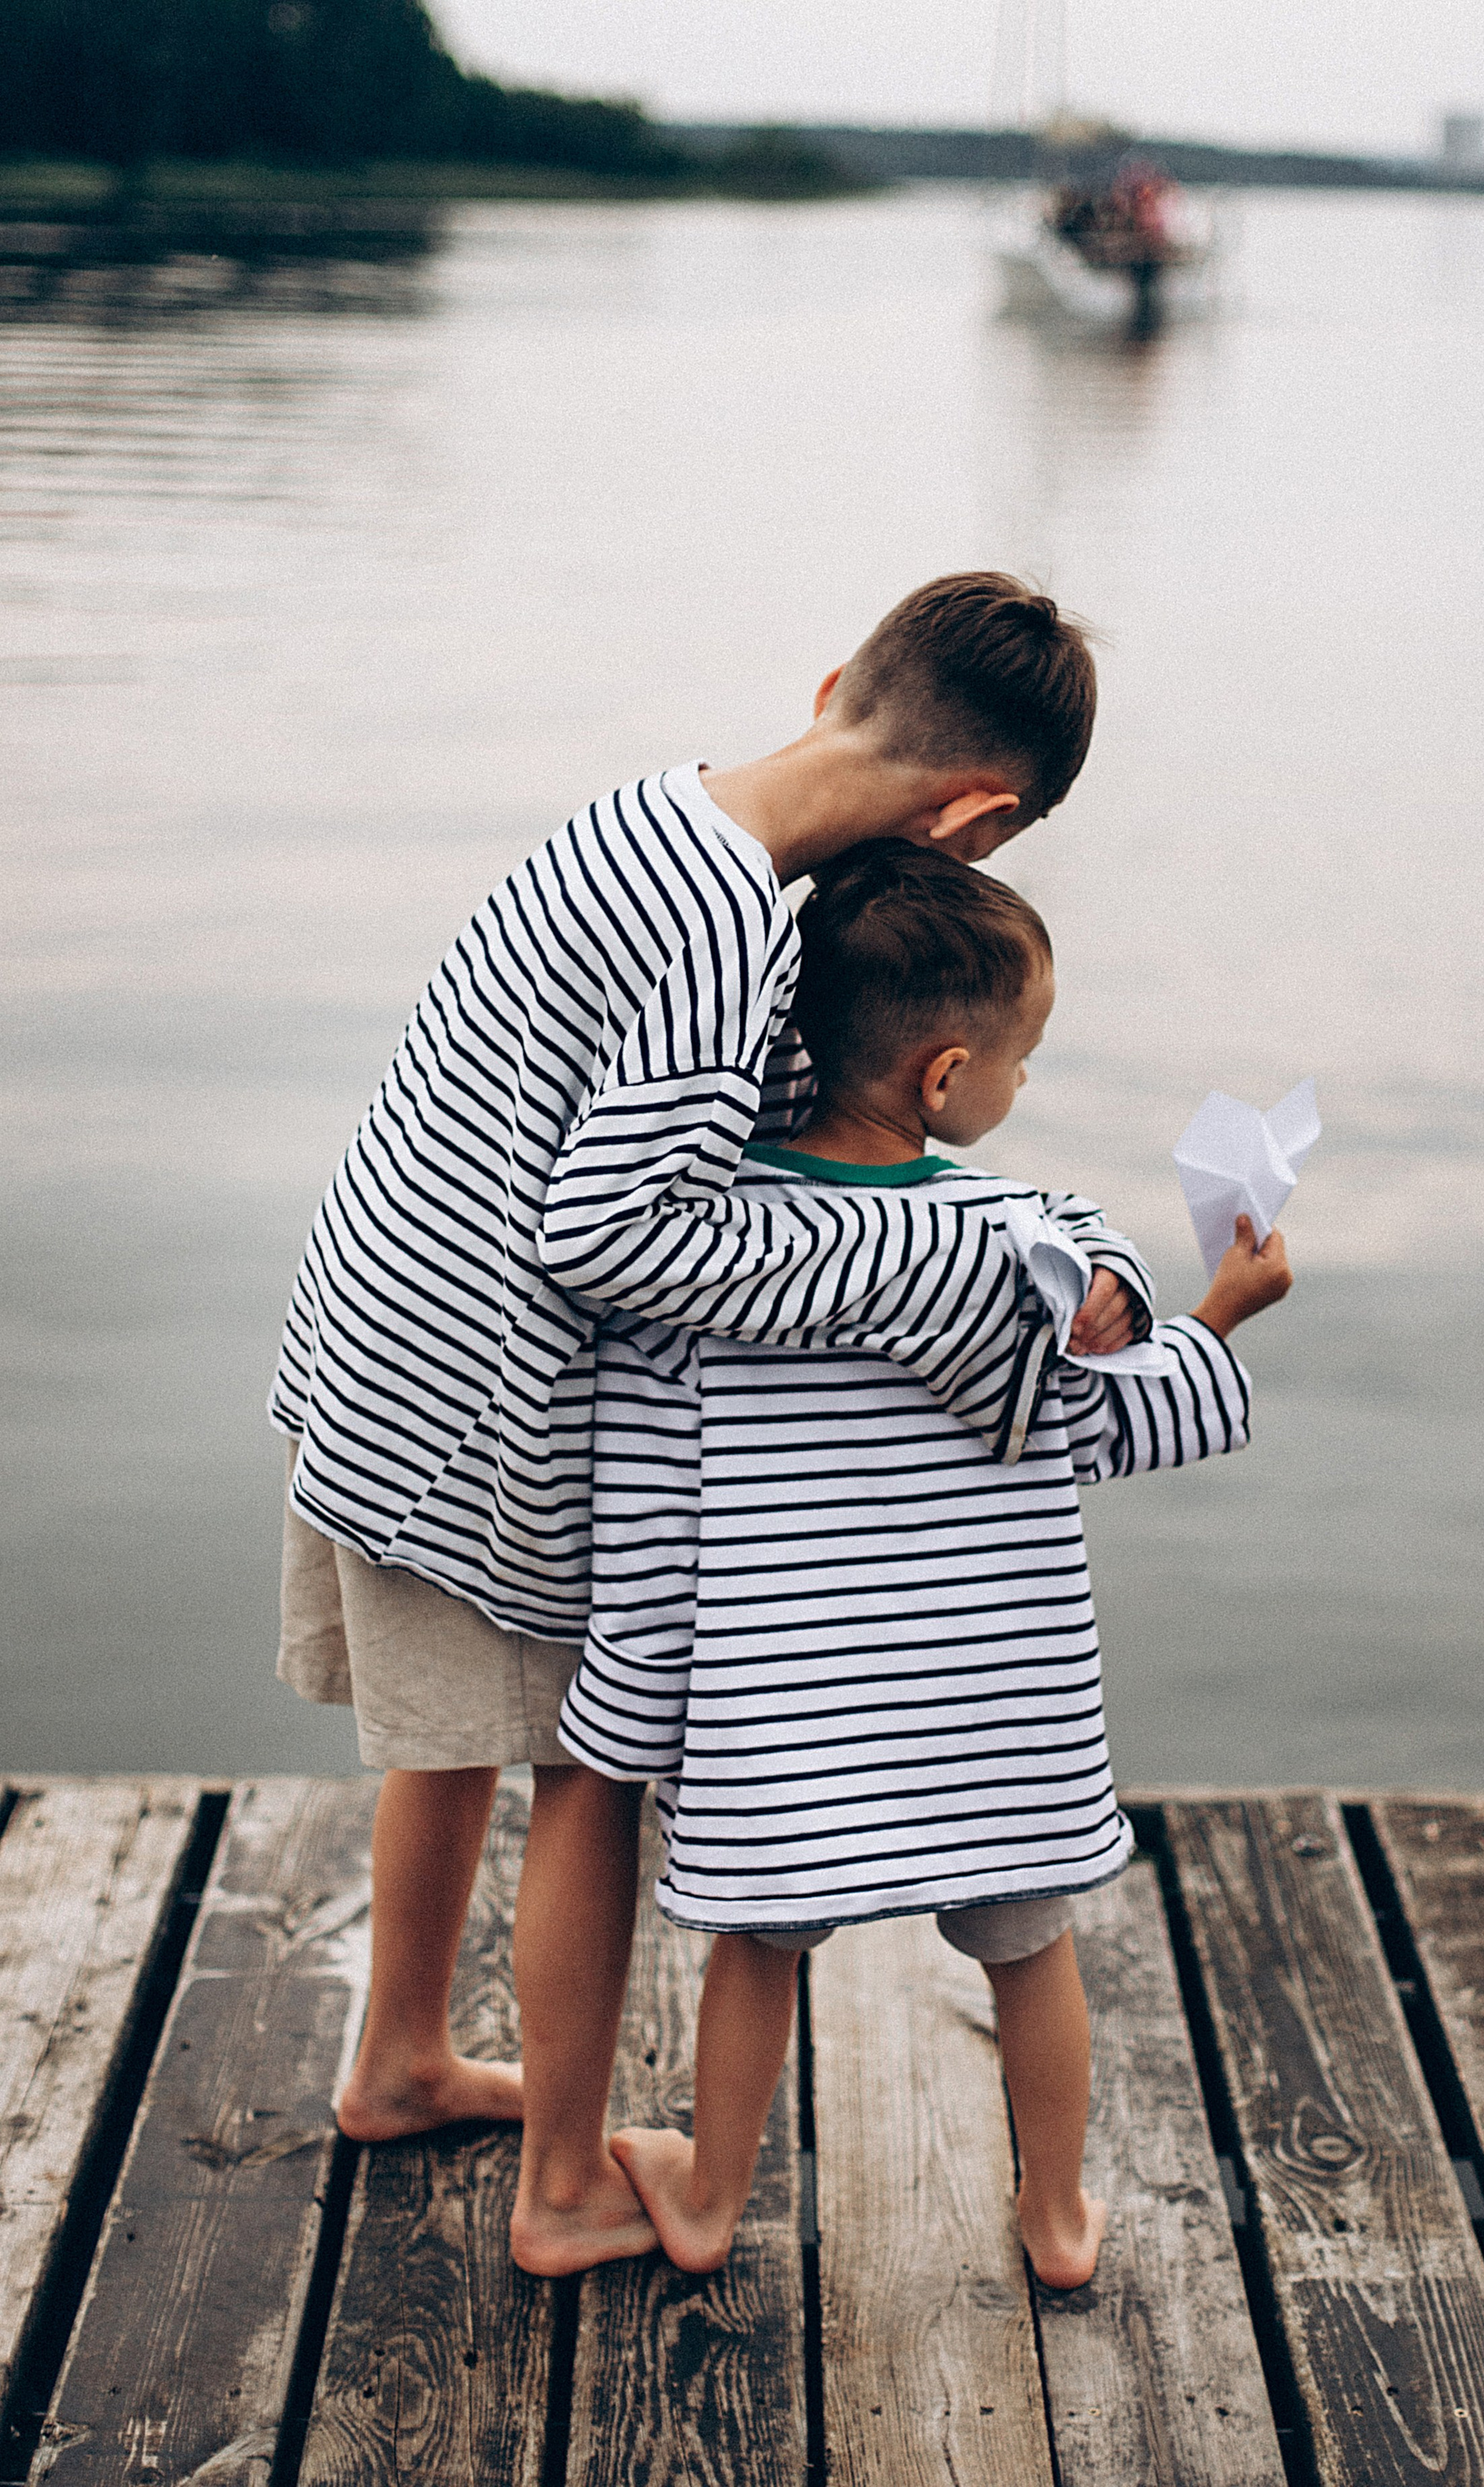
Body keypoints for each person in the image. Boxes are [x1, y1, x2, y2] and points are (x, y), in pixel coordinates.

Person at [270, 574, 1148, 2262]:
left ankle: (398, 2062)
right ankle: (561, 2191)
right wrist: (916, 1262)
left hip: (383, 1355)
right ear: (977, 819)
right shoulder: (728, 928)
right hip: (488, 1427)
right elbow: (609, 1233)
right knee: (580, 1771)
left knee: (444, 1738)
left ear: (833, 686)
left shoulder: (650, 818)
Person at [559, 843, 1293, 2290]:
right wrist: (1211, 1316)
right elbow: (1105, 1422)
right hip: (987, 1708)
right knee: (1030, 1948)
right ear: (947, 1077)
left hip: (790, 1711)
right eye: (1023, 1060)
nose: (1022, 1085)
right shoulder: (1016, 1248)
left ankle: (706, 2199)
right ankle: (1057, 2215)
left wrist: (631, 1707)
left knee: (758, 1947)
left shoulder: (699, 1257)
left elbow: (644, 1493)